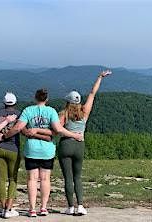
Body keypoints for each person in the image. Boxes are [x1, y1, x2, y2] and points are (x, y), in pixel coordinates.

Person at [4, 89, 83, 218]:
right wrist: (74, 135)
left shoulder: (28, 110)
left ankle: (32, 209)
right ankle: (44, 208)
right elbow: (57, 130)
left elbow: (18, 127)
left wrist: (6, 135)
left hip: (32, 149)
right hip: (47, 150)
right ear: (46, 99)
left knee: (32, 179)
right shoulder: (51, 111)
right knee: (45, 179)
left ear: (35, 98)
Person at [58, 70, 111, 216]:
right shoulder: (85, 111)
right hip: (79, 145)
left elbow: (58, 129)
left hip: (65, 145)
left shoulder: (63, 114)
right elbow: (92, 94)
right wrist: (100, 77)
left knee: (68, 178)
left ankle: (70, 207)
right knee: (77, 177)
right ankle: (80, 206)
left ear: (68, 102)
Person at [0, 92, 52, 218]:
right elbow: (24, 131)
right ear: (15, 102)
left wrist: (1, 136)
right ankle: (9, 208)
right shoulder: (19, 114)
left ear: (3, 102)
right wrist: (43, 136)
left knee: (1, 179)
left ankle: (3, 207)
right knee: (13, 178)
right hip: (13, 149)